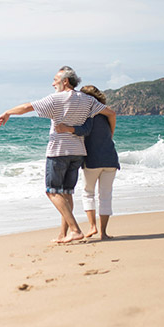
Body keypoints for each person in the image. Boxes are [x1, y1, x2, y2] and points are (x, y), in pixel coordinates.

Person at [0, 66, 115, 244]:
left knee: (52, 191)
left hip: (58, 151)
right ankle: (63, 234)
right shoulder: (87, 100)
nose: (53, 83)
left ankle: (75, 230)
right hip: (78, 152)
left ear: (65, 81)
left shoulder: (56, 99)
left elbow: (27, 107)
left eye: (55, 80)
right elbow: (110, 113)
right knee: (66, 193)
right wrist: (110, 135)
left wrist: (7, 112)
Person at [55, 85, 119, 240]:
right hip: (111, 158)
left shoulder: (87, 113)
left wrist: (67, 128)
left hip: (93, 160)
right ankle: (104, 232)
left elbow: (85, 130)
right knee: (106, 195)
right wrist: (111, 133)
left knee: (88, 193)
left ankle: (92, 227)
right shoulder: (105, 114)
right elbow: (110, 124)